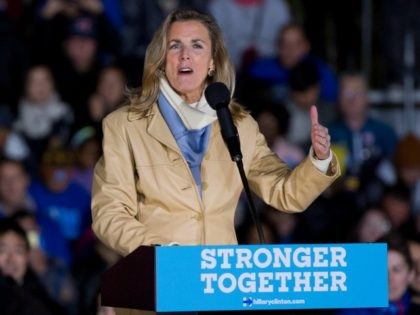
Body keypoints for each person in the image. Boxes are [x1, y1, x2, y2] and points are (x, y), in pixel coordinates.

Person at [91, 9, 340, 315]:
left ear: (212, 62)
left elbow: (285, 192)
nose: (185, 55)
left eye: (197, 45)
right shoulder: (124, 125)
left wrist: (319, 158)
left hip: (221, 294)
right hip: (156, 289)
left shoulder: (239, 125)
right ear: (160, 58)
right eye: (175, 45)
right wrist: (159, 252)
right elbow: (109, 213)